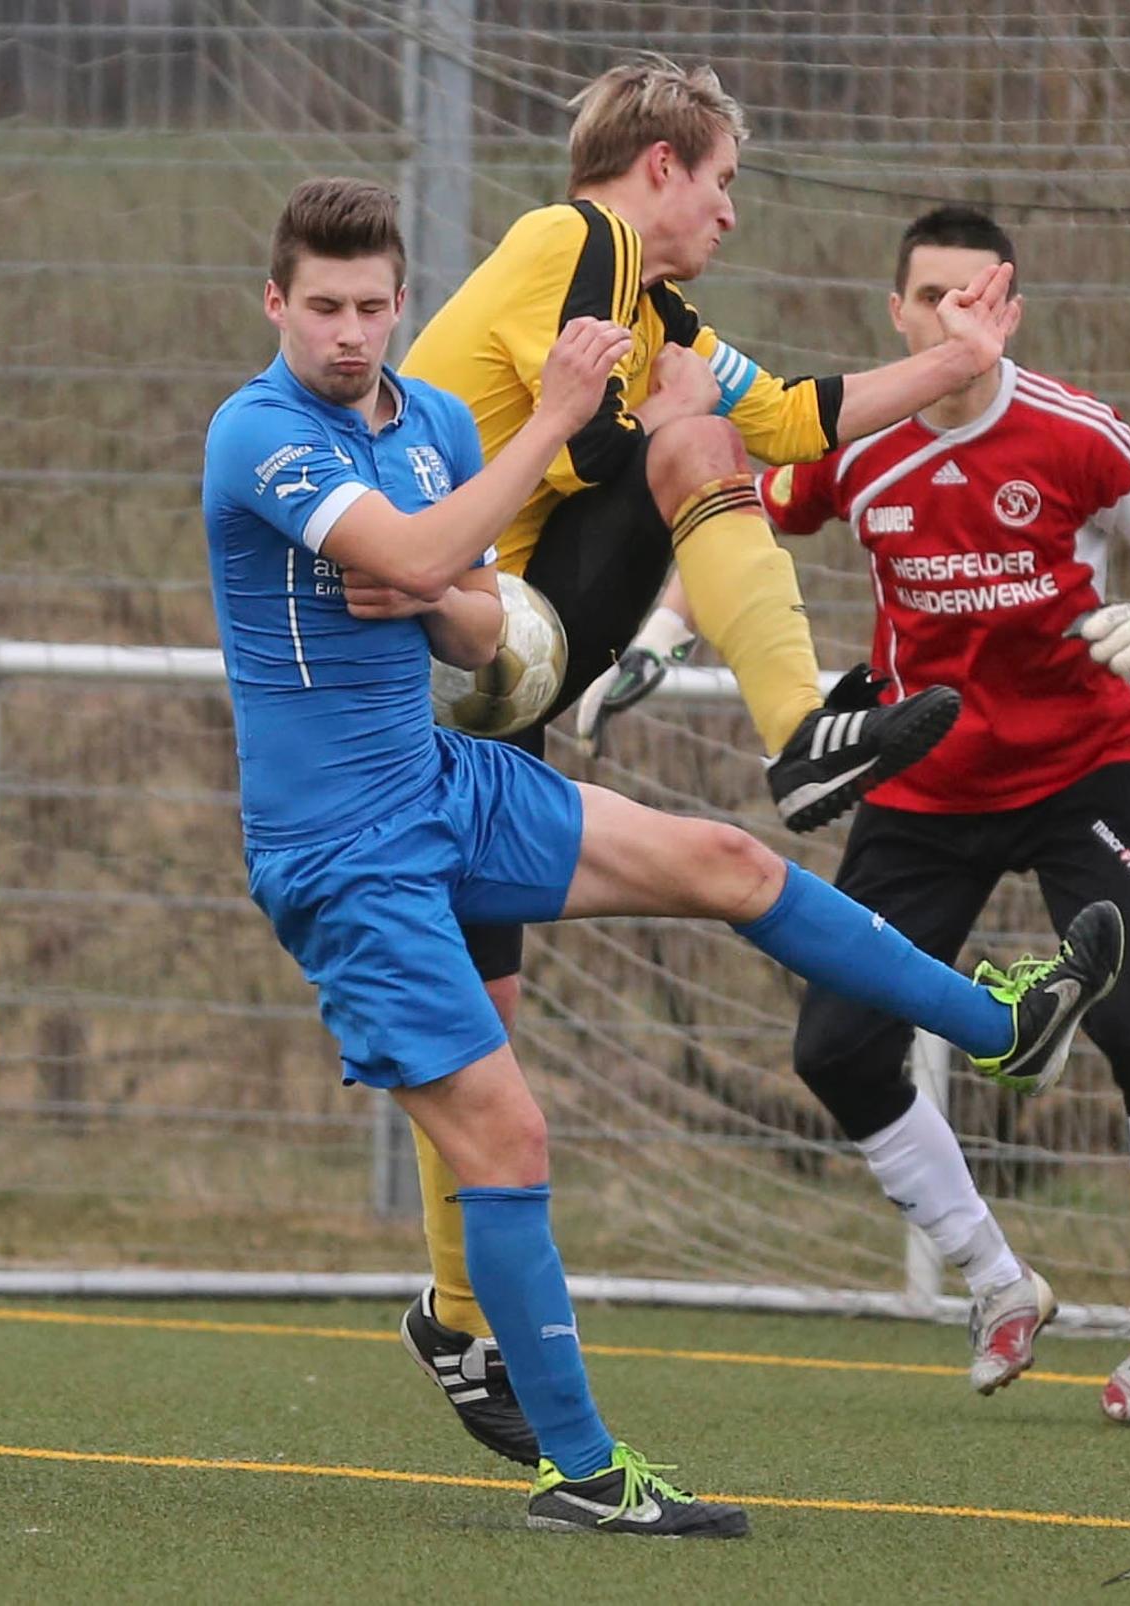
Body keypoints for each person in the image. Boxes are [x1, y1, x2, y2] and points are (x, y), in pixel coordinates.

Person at [202, 176, 1125, 1536]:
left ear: (400, 305)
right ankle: (581, 1472)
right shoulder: (258, 432)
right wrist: (541, 435)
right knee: (510, 1134)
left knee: (725, 861)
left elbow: (476, 620)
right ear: (275, 304)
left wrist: (444, 590)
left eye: (370, 307)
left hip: (447, 782)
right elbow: (416, 547)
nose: (347, 333)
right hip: (343, 850)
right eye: (321, 307)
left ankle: (999, 1025)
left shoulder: (434, 422)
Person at [393, 55, 1018, 1436]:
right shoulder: (576, 240)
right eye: (722, 180)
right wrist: (680, 409)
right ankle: (801, 732)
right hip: (446, 645)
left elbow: (782, 419)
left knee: (480, 1030)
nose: (731, 211)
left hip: (497, 678)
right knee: (686, 443)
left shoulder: (648, 302)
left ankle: (452, 1319)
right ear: (660, 167)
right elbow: (603, 447)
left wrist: (955, 361)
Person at [594, 206, 1130, 1424]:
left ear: (1010, 312)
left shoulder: (1074, 431)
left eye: (976, 296)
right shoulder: (860, 440)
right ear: (898, 313)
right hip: (924, 783)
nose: (954, 317)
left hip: (1083, 771)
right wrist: (663, 630)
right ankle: (997, 1279)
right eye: (932, 296)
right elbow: (727, 511)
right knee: (836, 1048)